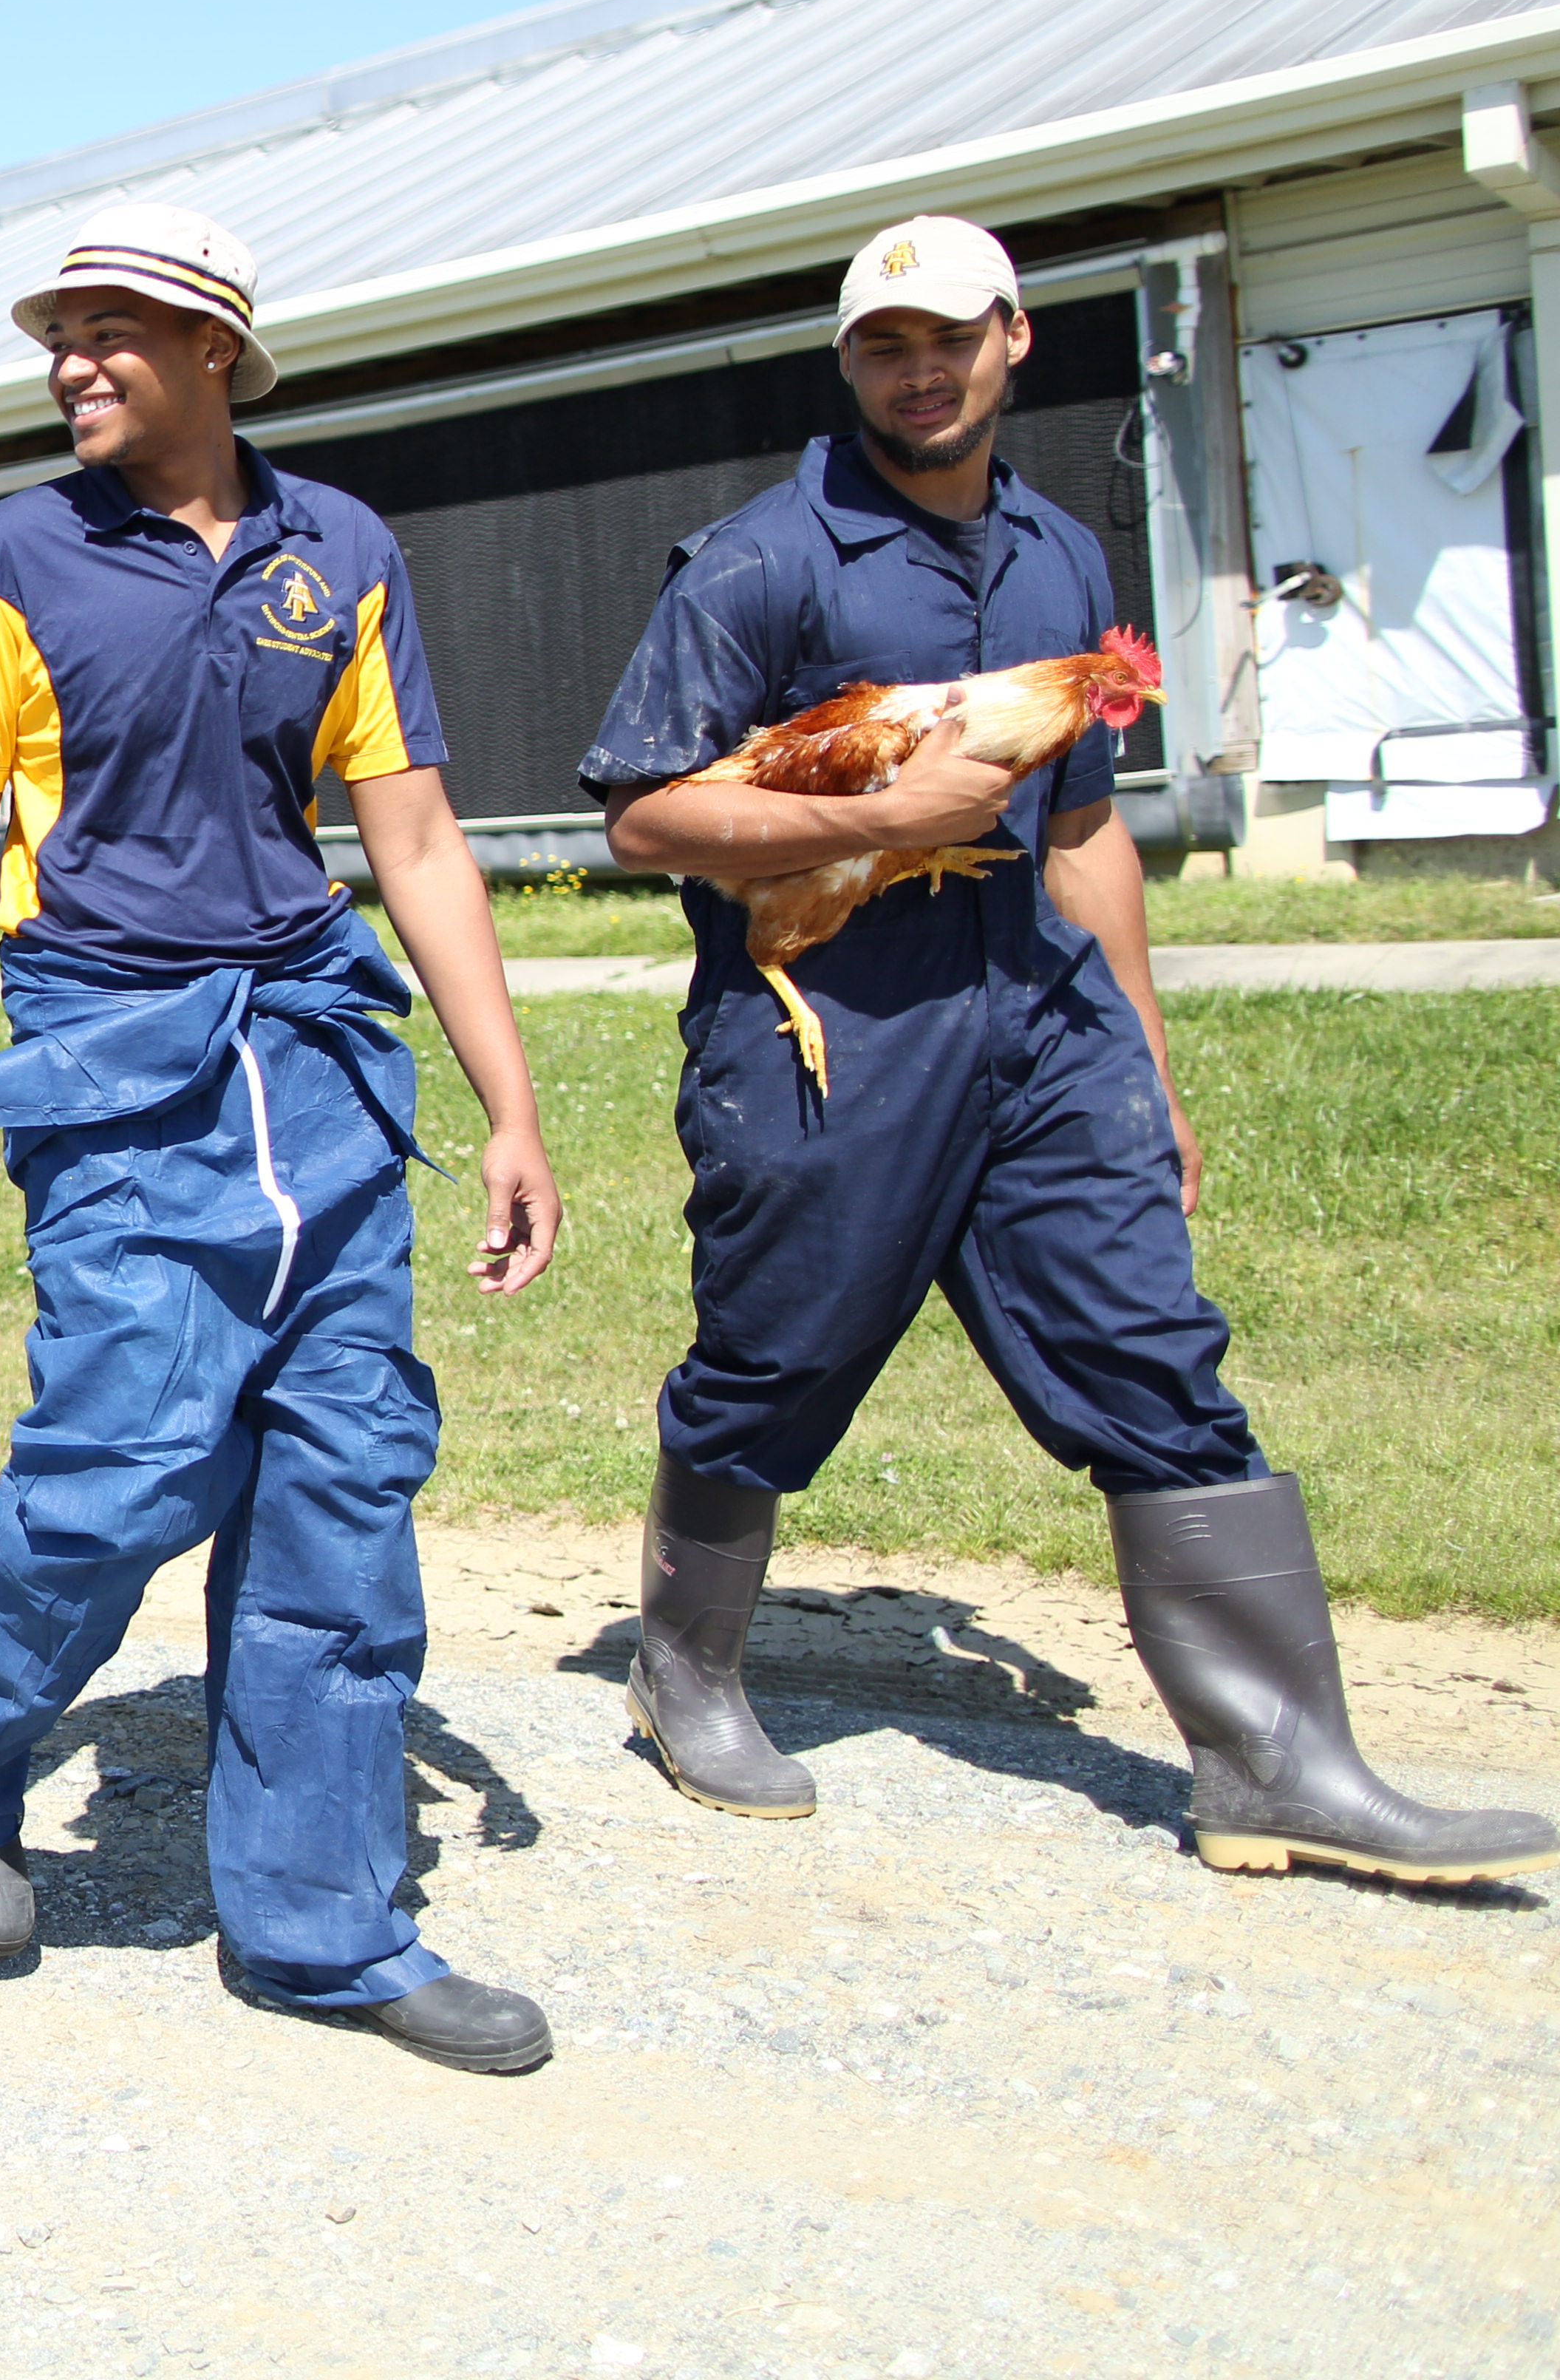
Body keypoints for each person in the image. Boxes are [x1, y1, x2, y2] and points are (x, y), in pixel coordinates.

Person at [582, 213, 1555, 1886]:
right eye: (882, 345)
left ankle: (1271, 1762)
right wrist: (887, 809)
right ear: (847, 363)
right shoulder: (757, 561)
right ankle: (682, 1667)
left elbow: (1083, 829)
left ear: (1009, 339)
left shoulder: (1056, 554)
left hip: (1038, 1028)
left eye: (945, 336)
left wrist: (1142, 1064)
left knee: (1150, 1352)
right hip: (828, 1034)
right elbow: (640, 814)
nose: (916, 369)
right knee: (774, 1353)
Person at [0, 205, 568, 2076]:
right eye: (56, 337)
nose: (69, 364)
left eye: (107, 332)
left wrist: (505, 1103)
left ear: (215, 349)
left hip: (312, 1055)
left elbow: (406, 833)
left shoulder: (338, 551)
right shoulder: (12, 557)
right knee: (129, 1457)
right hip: (111, 1064)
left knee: (338, 1478)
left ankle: (319, 1924)